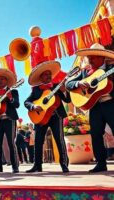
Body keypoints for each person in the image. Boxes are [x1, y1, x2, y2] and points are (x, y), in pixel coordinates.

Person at [66, 43, 114, 173]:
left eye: (93, 57)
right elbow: (68, 84)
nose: (90, 60)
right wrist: (78, 83)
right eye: (89, 57)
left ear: (101, 57)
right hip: (95, 106)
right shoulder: (85, 72)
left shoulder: (111, 68)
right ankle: (101, 163)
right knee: (96, 134)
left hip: (111, 104)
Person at [25, 61, 70, 173]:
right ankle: (37, 165)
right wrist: (34, 106)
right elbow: (27, 102)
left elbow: (67, 100)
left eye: (50, 74)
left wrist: (65, 91)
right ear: (41, 77)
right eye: (46, 74)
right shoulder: (36, 90)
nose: (49, 76)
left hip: (56, 116)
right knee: (38, 141)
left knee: (59, 140)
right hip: (40, 118)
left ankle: (64, 164)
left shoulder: (57, 86)